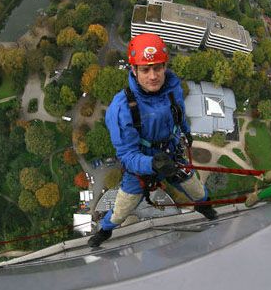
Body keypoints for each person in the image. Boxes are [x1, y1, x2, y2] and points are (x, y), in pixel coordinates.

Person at [88, 33, 217, 248]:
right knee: (122, 209)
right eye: (145, 69)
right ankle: (105, 230)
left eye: (158, 68)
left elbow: (179, 114)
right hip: (140, 168)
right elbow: (127, 156)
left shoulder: (173, 88)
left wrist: (186, 132)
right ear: (134, 71)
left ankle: (204, 206)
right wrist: (151, 164)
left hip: (172, 154)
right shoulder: (122, 108)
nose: (153, 76)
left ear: (165, 66)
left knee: (197, 189)